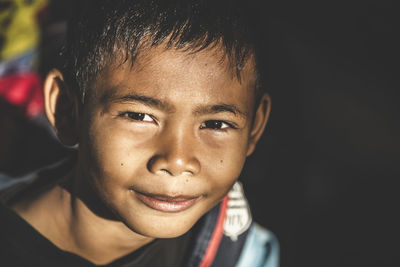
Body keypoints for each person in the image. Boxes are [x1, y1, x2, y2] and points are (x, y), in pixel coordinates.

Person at [0, 0, 279, 266]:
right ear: (66, 111)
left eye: (216, 124)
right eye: (139, 116)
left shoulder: (238, 249)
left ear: (254, 127)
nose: (178, 160)